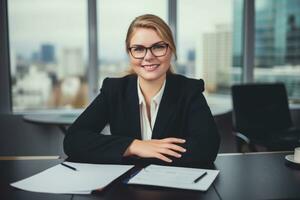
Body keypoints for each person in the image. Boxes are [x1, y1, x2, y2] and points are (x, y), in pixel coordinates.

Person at [64, 14, 220, 167]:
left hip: (175, 189)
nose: (148, 56)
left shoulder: (189, 90)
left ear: (171, 50)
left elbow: (207, 147)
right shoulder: (114, 90)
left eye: (158, 47)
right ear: (129, 53)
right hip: (124, 189)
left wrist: (144, 153)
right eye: (138, 49)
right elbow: (74, 140)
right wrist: (134, 146)